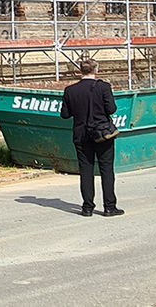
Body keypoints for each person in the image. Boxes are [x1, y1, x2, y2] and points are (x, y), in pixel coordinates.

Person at [60, 57, 122, 217]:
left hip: (81, 135)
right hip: (103, 134)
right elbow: (112, 109)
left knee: (86, 171)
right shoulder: (104, 87)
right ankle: (109, 206)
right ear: (96, 70)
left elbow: (65, 115)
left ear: (80, 70)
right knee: (106, 169)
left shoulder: (70, 90)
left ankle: (87, 207)